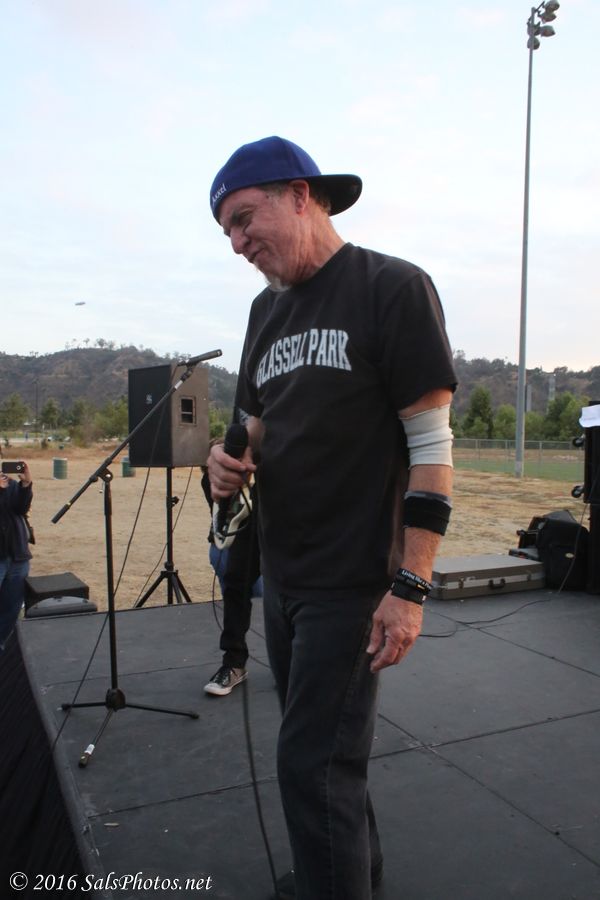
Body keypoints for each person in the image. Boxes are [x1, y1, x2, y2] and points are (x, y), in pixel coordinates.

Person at [206, 136, 457, 900]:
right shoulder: (264, 311)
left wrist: (410, 587)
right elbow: (259, 422)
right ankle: (353, 878)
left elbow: (431, 449)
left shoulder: (393, 288)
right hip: (283, 574)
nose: (237, 243)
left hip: (353, 581)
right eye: (226, 231)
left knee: (310, 765)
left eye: (244, 219)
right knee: (329, 762)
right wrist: (227, 458)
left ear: (300, 195)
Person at [0, 460, 33, 650]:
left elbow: (21, 508)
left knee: (11, 610)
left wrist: (25, 485)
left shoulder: (9, 483)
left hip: (17, 556)